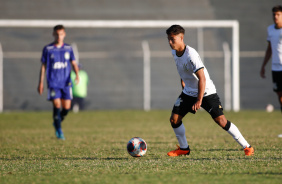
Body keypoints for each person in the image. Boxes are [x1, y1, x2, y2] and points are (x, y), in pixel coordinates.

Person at [166, 25, 254, 156]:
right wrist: (183, 82)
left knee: (221, 121)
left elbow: (202, 78)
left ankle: (247, 147)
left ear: (181, 38)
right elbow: (182, 70)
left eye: (172, 39)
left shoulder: (191, 54)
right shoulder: (174, 52)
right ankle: (184, 149)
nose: (170, 42)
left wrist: (199, 100)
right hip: (188, 92)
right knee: (174, 119)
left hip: (206, 92)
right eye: (168, 39)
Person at [37, 25, 79, 140]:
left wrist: (77, 75)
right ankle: (59, 130)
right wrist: (40, 83)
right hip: (53, 83)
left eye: (61, 34)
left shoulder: (68, 49)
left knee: (66, 108)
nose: (59, 36)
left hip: (66, 83)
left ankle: (57, 120)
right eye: (57, 34)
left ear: (64, 34)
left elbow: (74, 63)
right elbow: (43, 67)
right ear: (53, 34)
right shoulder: (48, 49)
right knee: (57, 105)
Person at [260, 5, 282, 114]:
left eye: (278, 14)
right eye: (274, 14)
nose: (276, 17)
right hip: (275, 67)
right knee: (279, 95)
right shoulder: (270, 29)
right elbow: (269, 49)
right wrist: (263, 65)